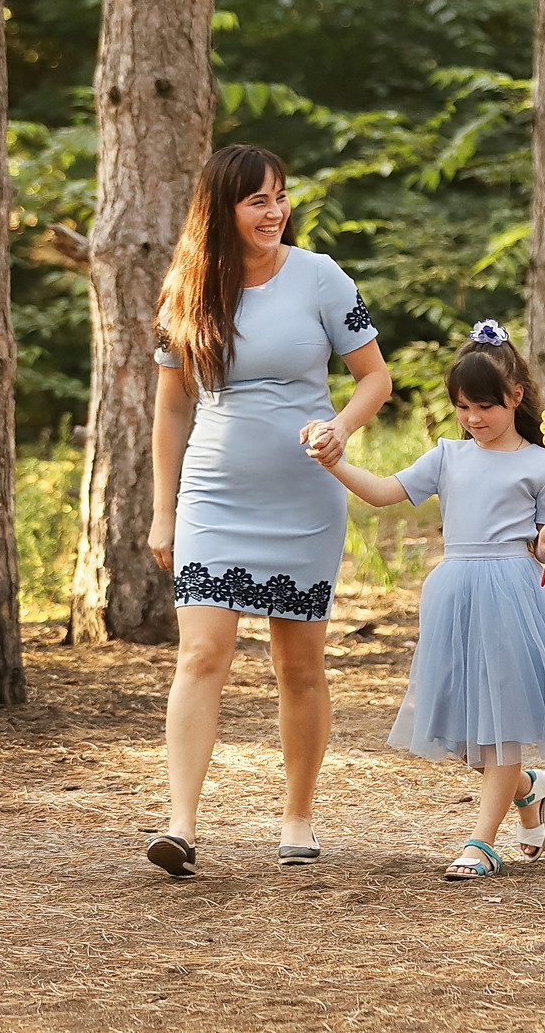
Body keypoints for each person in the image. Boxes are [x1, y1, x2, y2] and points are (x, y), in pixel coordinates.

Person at [143, 145, 391, 878]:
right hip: (215, 497)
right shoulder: (186, 292)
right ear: (222, 210)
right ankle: (181, 826)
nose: (274, 212)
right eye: (257, 201)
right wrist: (164, 514)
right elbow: (169, 412)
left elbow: (375, 378)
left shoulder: (321, 277)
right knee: (201, 654)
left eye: (280, 197)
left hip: (305, 499)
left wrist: (340, 429)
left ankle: (298, 815)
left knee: (299, 666)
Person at [307, 322, 545, 881]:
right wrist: (333, 463)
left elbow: (539, 546)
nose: (474, 418)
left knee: (502, 723)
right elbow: (384, 493)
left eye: (486, 406)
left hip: (512, 595)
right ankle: (527, 787)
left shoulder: (543, 465)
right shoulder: (448, 456)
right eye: (463, 407)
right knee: (462, 729)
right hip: (455, 592)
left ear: (516, 397)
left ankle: (481, 842)